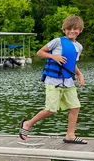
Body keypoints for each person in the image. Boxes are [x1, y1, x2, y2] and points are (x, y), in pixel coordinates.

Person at [19, 15, 87, 144]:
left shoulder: (79, 47)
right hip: (53, 81)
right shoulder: (57, 41)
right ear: (64, 30)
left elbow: (71, 64)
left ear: (80, 30)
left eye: (75, 29)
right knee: (50, 110)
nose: (72, 31)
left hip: (68, 82)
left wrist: (79, 74)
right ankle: (28, 123)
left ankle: (70, 135)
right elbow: (40, 52)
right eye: (69, 29)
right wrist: (53, 56)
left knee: (75, 107)